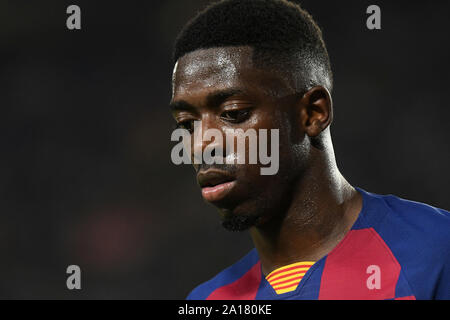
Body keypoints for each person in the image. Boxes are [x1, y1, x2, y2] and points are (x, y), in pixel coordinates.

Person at [169, 0, 450, 300]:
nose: (200, 145)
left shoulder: (436, 251)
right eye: (187, 123)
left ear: (313, 113)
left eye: (233, 112)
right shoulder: (207, 301)